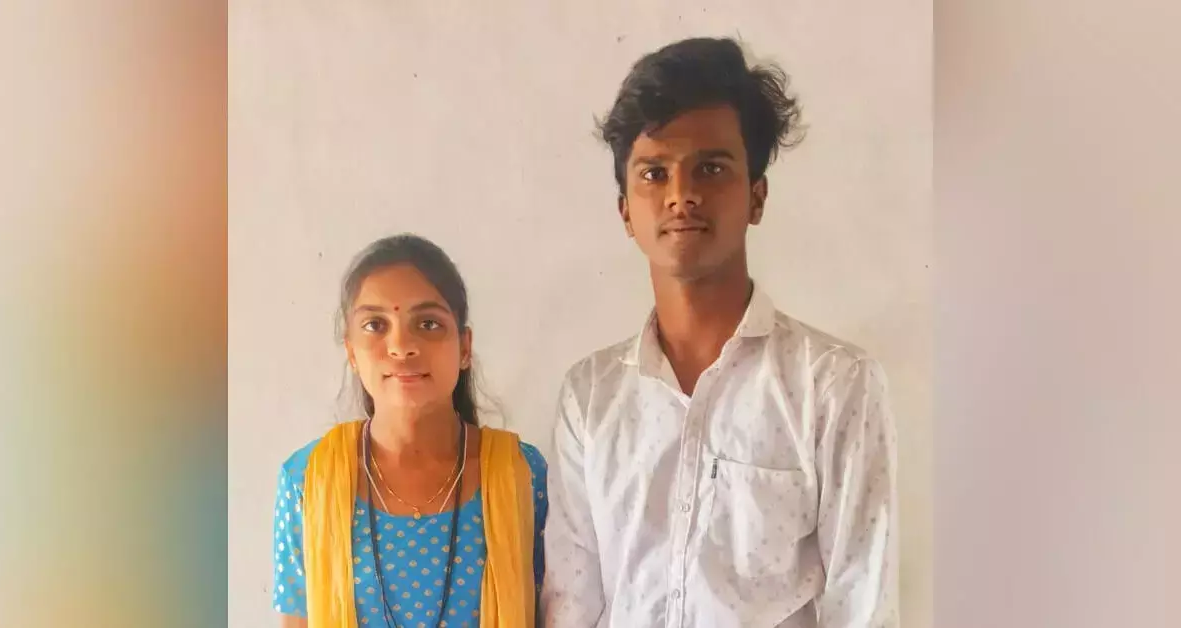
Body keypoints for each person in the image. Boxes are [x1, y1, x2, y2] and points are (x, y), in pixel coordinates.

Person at [541, 37, 898, 627]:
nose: (681, 194)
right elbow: (570, 604)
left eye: (711, 168)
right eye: (654, 173)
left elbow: (863, 607)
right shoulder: (590, 397)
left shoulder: (835, 386)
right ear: (626, 210)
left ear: (757, 196)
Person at [273, 234, 548, 628]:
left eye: (428, 323)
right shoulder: (308, 480)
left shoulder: (522, 475)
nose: (401, 346)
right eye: (375, 325)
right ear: (351, 352)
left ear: (465, 347)